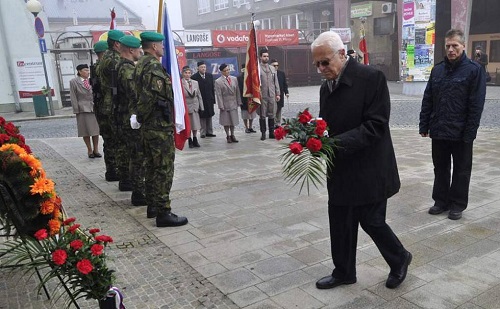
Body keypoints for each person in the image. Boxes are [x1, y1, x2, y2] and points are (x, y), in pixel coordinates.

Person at [311, 31, 411, 290]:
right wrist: (313, 136)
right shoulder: (326, 87)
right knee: (340, 220)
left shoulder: (371, 78)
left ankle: (400, 258)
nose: (321, 69)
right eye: (317, 64)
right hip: (341, 167)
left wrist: (334, 144)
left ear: (342, 54)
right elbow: (327, 124)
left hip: (371, 167)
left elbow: (376, 125)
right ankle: (343, 271)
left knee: (372, 220)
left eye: (325, 62)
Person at [420, 29, 486, 220]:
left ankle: (457, 204)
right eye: (448, 46)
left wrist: (470, 132)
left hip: (461, 132)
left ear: (463, 46)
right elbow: (428, 99)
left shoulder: (474, 70)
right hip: (439, 130)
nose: (451, 49)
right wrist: (424, 125)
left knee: (461, 170)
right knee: (440, 168)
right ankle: (440, 201)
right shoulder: (437, 70)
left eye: (455, 46)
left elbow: (476, 105)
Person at [134, 31, 188, 227]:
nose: (163, 48)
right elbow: (150, 99)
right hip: (157, 126)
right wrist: (143, 117)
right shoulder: (153, 67)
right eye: (161, 45)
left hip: (150, 126)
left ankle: (153, 206)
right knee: (163, 169)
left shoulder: (141, 64)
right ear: (154, 47)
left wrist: (141, 119)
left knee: (151, 166)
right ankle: (163, 212)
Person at [116, 35, 146, 206]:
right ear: (131, 50)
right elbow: (135, 94)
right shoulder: (127, 70)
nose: (140, 52)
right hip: (131, 118)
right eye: (138, 50)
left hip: (124, 116)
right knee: (137, 156)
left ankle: (138, 191)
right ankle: (139, 193)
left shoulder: (120, 66)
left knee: (133, 154)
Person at [96, 29, 125, 183]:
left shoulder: (104, 58)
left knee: (109, 141)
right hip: (113, 105)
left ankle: (111, 170)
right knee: (118, 141)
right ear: (116, 44)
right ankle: (119, 172)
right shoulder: (114, 59)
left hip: (104, 105)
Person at [69, 64, 101, 158]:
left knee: (95, 131)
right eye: (85, 70)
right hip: (82, 108)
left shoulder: (92, 80)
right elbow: (73, 96)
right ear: (79, 71)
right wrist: (76, 109)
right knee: (85, 131)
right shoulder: (74, 82)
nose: (88, 72)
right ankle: (89, 150)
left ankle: (96, 149)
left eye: (88, 70)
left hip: (93, 108)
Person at [215, 63, 242, 143]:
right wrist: (221, 105)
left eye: (228, 70)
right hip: (225, 103)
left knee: (233, 120)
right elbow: (219, 95)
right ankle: (228, 135)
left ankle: (233, 134)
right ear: (222, 72)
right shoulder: (218, 81)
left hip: (233, 102)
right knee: (226, 121)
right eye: (225, 70)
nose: (227, 72)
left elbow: (237, 91)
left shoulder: (234, 79)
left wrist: (239, 101)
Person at [258, 49, 280, 140]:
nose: (266, 58)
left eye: (267, 56)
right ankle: (263, 133)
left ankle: (271, 132)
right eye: (264, 56)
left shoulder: (272, 68)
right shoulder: (257, 68)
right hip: (262, 95)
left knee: (272, 114)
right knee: (262, 114)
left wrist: (278, 93)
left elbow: (276, 82)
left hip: (271, 94)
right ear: (260, 57)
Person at [191, 61, 216, 138]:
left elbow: (212, 88)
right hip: (200, 100)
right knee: (202, 116)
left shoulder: (209, 76)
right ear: (198, 68)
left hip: (209, 99)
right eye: (201, 67)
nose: (203, 69)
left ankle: (209, 131)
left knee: (210, 115)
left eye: (204, 67)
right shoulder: (194, 77)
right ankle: (203, 132)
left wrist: (213, 99)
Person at [181, 66, 204, 148]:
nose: (187, 75)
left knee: (195, 124)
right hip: (186, 106)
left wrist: (201, 107)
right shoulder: (181, 83)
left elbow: (199, 95)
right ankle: (189, 139)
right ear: (183, 74)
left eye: (189, 73)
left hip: (195, 106)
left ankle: (195, 138)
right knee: (189, 124)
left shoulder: (195, 82)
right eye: (186, 73)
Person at [237, 64, 257, 133]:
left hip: (251, 98)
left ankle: (251, 127)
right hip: (243, 98)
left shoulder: (252, 76)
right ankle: (246, 127)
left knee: (252, 113)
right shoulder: (239, 78)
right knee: (245, 114)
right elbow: (238, 89)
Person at [270, 59, 289, 126]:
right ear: (271, 66)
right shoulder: (269, 73)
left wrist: (286, 92)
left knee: (279, 108)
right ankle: (274, 123)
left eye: (277, 65)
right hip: (272, 94)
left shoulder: (281, 73)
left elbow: (284, 84)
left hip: (280, 94)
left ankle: (278, 123)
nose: (276, 67)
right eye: (274, 65)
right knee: (273, 109)